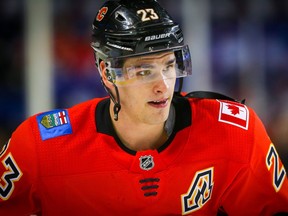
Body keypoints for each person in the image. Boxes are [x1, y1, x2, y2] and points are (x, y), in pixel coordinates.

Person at [0, 0, 287, 215]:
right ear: (106, 73)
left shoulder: (234, 133)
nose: (163, 86)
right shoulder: (42, 146)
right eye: (143, 71)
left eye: (169, 65)